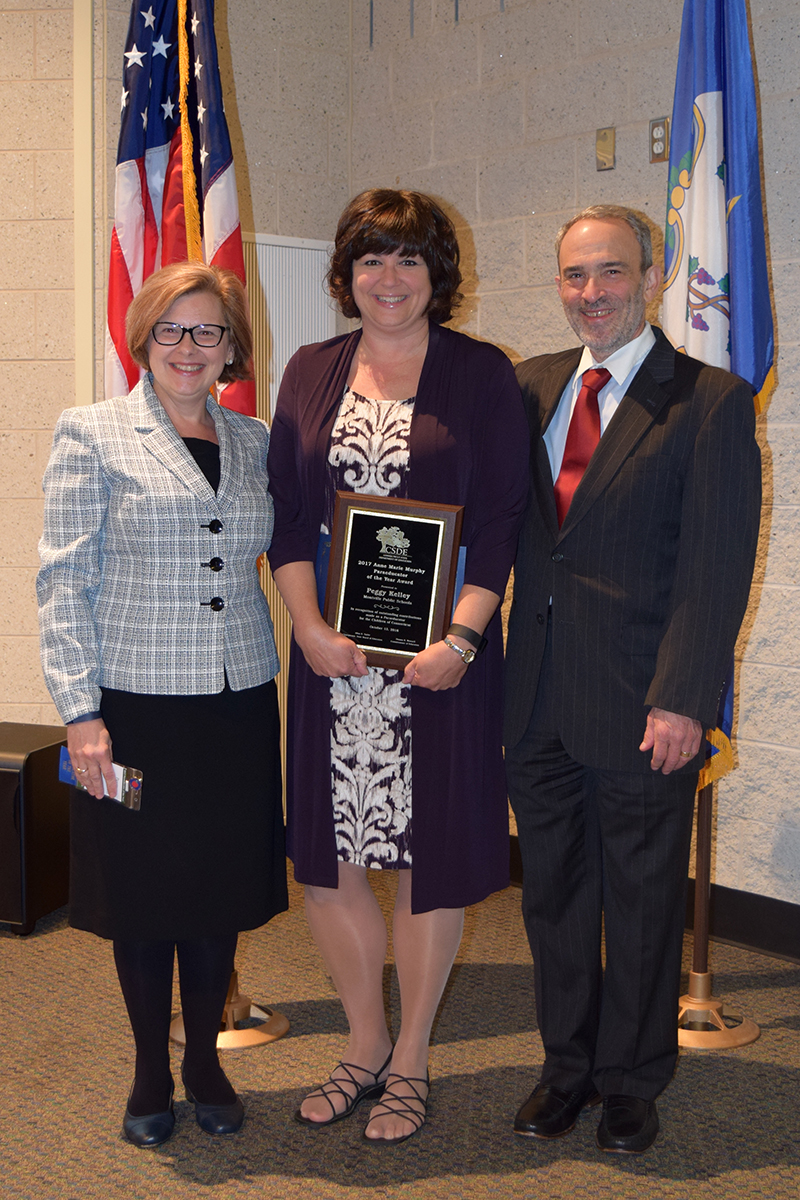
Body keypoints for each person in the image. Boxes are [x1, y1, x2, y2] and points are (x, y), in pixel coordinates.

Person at [267, 188, 528, 1145]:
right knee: (330, 862)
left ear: (437, 275)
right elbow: (290, 519)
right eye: (372, 259)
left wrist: (461, 641)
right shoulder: (308, 370)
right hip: (333, 664)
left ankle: (412, 1055)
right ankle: (363, 1043)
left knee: (431, 862)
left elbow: (500, 518)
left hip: (439, 666)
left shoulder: (481, 373)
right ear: (347, 273)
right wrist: (306, 629)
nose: (389, 278)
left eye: (410, 259)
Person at [504, 205, 761, 1153]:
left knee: (644, 901)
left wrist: (687, 698)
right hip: (533, 700)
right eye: (575, 276)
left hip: (643, 702)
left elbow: (715, 564)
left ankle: (632, 1083)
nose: (591, 294)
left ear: (651, 275)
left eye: (611, 273)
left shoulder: (710, 401)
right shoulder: (525, 388)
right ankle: (565, 1069)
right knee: (554, 899)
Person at [37, 262, 288, 1148]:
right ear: (143, 341)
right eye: (172, 331)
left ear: (231, 345)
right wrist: (79, 713)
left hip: (237, 708)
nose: (190, 348)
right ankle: (150, 1064)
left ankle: (206, 1059)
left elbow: (294, 547)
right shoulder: (92, 433)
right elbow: (64, 583)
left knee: (217, 887)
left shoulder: (255, 437)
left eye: (208, 331)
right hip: (133, 714)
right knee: (142, 890)